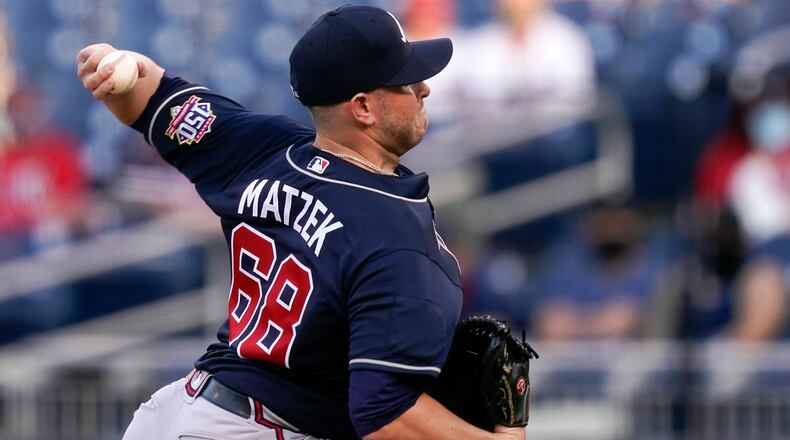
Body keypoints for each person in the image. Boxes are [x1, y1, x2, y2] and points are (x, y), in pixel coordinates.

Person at [77, 5, 525, 440]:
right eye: (406, 81)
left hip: (178, 412)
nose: (424, 87)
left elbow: (150, 98)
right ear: (364, 107)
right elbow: (382, 413)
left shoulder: (266, 148)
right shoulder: (398, 238)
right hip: (258, 429)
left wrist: (119, 70)